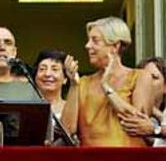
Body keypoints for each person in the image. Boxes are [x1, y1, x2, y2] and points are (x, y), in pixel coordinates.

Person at [61, 16, 152, 147]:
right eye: (89, 40)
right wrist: (74, 85)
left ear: (115, 46)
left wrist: (106, 87)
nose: (87, 46)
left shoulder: (140, 77)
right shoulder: (82, 83)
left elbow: (137, 123)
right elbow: (67, 131)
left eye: (95, 41)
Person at [118, 57, 166, 146]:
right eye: (142, 78)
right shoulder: (125, 111)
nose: (148, 82)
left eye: (154, 77)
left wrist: (154, 128)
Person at [33, 50, 68, 118]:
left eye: (55, 69)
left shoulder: (73, 108)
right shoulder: (27, 107)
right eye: (42, 69)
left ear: (65, 79)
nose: (47, 74)